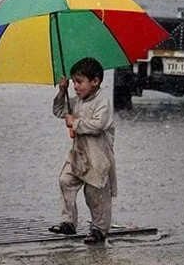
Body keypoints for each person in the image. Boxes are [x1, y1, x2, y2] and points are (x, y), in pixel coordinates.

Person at [49, 57, 117, 245]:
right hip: (79, 154)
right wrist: (62, 91)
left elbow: (98, 125)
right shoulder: (77, 101)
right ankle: (68, 221)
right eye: (73, 83)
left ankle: (99, 229)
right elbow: (58, 110)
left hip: (97, 156)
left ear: (95, 81)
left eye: (79, 82)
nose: (76, 87)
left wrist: (76, 123)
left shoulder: (102, 101)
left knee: (95, 194)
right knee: (66, 180)